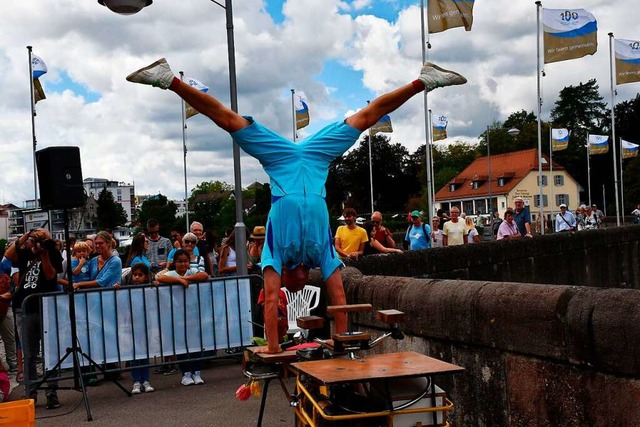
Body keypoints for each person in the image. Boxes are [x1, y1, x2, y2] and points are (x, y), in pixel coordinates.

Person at [127, 56, 466, 353]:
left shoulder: (273, 255)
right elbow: (338, 296)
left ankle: (167, 78)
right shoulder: (321, 252)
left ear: (286, 274)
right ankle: (424, 80)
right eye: (302, 283)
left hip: (281, 160)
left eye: (294, 283)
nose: (300, 282)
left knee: (229, 121)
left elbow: (272, 300)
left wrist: (274, 347)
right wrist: (341, 339)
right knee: (365, 119)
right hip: (316, 159)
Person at [4, 228, 61, 408]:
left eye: (41, 237)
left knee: (51, 352)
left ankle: (52, 392)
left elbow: (51, 275)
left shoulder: (52, 251)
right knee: (29, 354)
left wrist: (44, 250)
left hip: (46, 307)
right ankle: (31, 394)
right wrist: (27, 235)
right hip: (26, 308)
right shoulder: (25, 253)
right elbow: (8, 254)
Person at [156, 249, 209, 386]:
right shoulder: (171, 273)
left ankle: (196, 372)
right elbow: (159, 277)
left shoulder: (191, 272)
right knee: (181, 343)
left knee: (195, 342)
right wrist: (178, 280)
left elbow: (204, 275)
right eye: (179, 261)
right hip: (177, 314)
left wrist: (185, 278)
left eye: (185, 261)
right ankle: (185, 373)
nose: (182, 264)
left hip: (193, 312)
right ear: (174, 262)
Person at [124, 263, 155, 394]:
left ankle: (146, 380)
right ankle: (136, 381)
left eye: (140, 275)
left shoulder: (149, 289)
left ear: (146, 277)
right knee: (134, 354)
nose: (136, 277)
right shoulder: (127, 290)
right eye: (134, 275)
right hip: (132, 325)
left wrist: (156, 284)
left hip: (145, 324)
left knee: (144, 352)